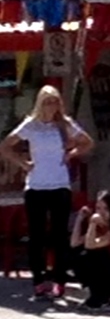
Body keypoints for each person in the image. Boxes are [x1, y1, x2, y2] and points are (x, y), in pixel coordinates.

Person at [0, 85, 93, 300]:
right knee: (37, 235)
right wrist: (23, 164)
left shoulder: (64, 124)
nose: (51, 106)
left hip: (59, 184)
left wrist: (71, 154)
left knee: (59, 235)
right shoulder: (31, 125)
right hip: (36, 185)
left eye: (55, 101)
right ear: (40, 103)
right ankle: (38, 280)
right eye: (47, 101)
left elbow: (87, 142)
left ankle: (59, 278)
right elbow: (6, 146)